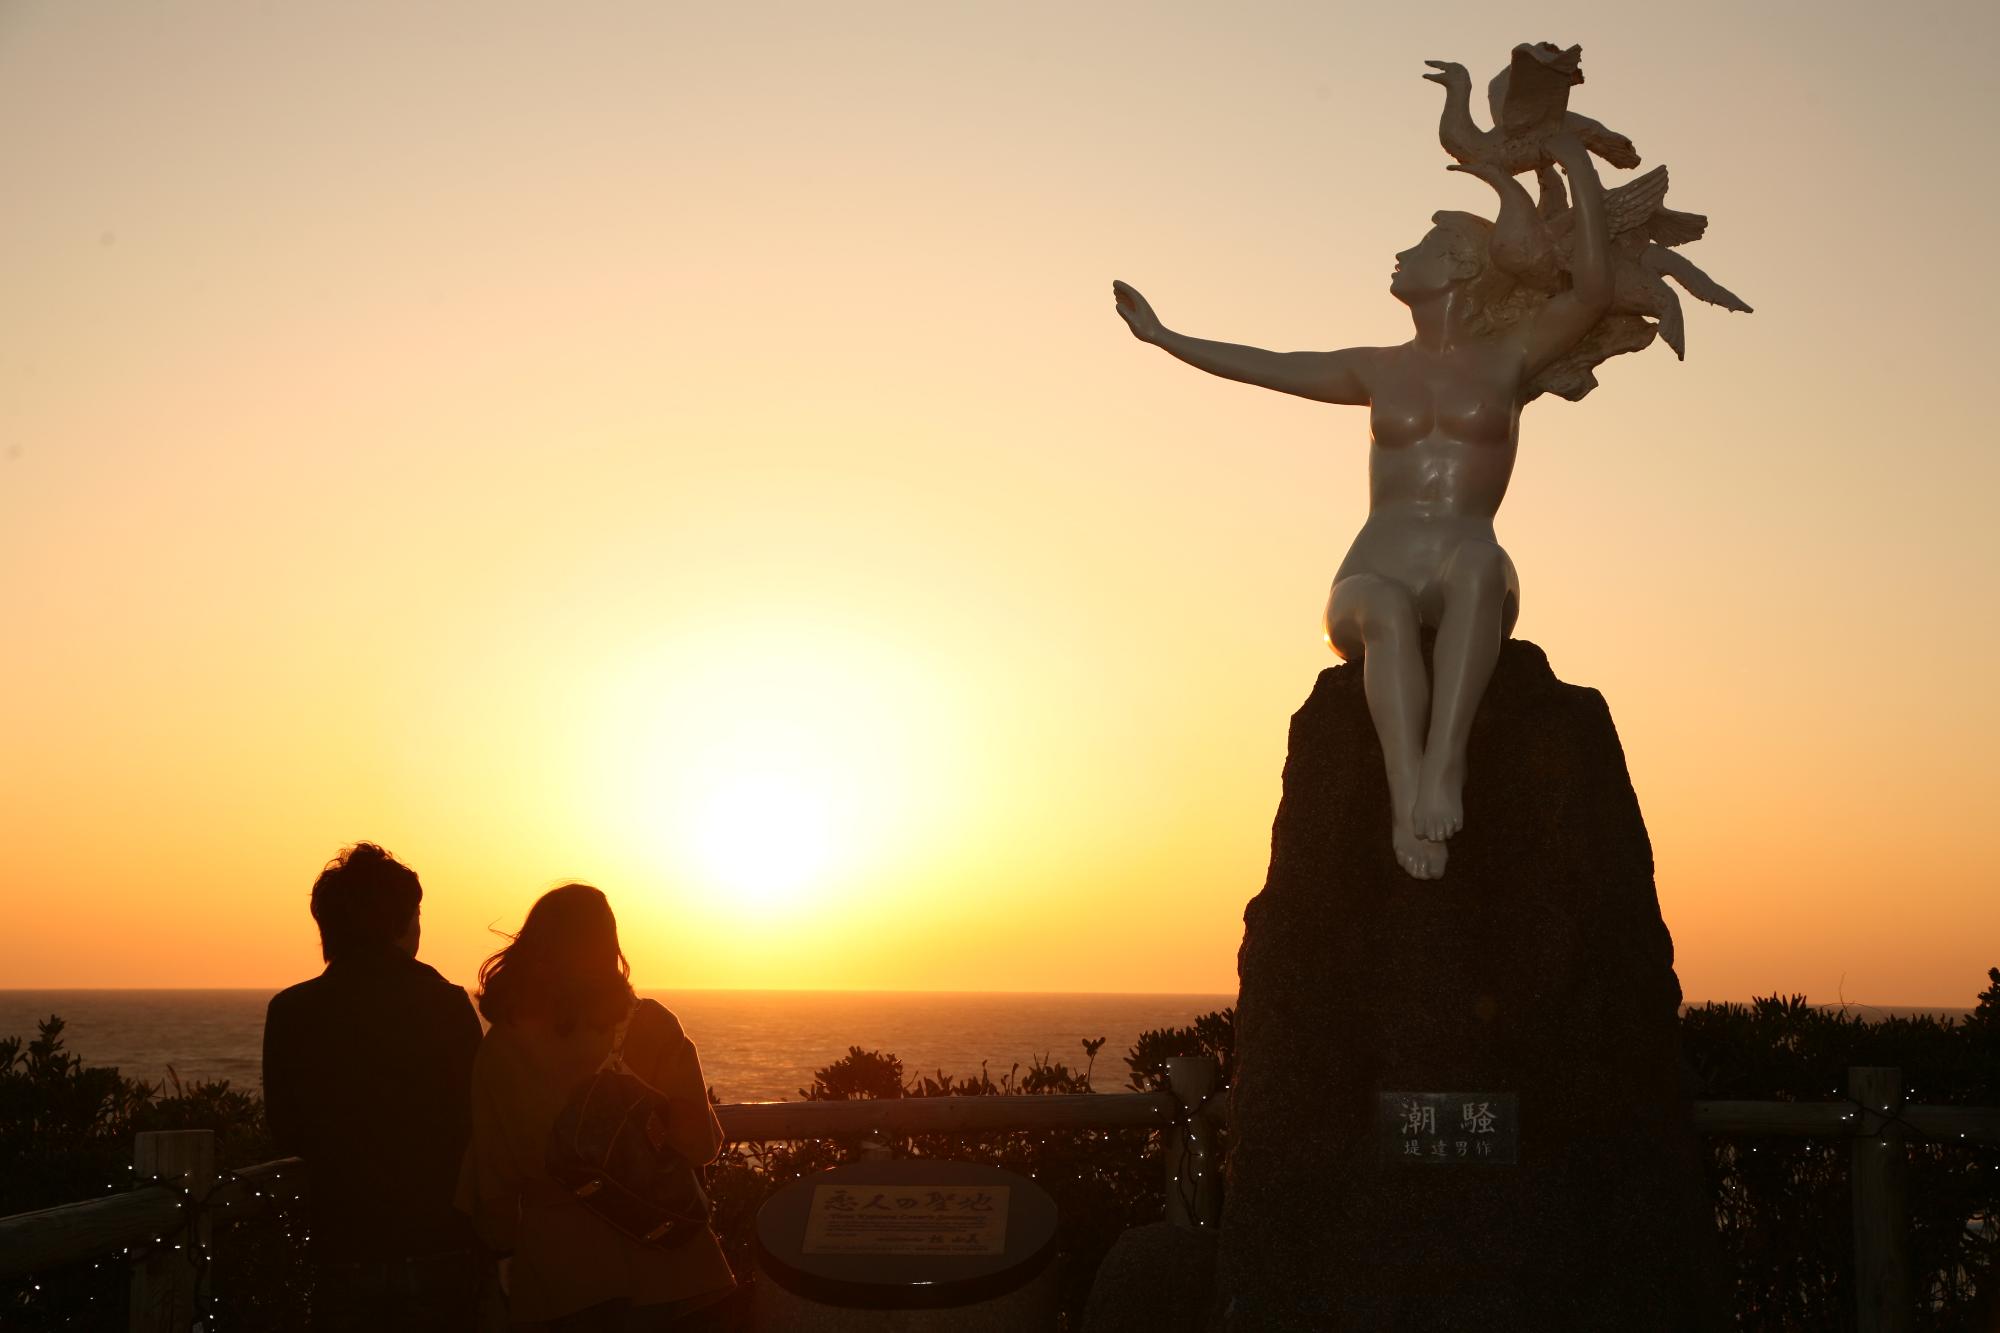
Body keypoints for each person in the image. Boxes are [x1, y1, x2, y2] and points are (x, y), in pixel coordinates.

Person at [1112, 113, 1617, 883]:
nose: (1398, 255)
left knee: (1482, 565)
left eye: (1415, 247)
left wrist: (1573, 154)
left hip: (1464, 561)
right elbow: (1268, 364)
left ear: (1454, 265)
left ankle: (1444, 765)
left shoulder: (1511, 358)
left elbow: (1595, 287)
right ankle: (1405, 794)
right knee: (1381, 609)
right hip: (1373, 566)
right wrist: (1166, 336)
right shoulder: (1377, 369)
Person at [458, 883, 738, 1331]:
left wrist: (505, 1256)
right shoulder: (651, 1024)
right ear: (608, 946)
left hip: (560, 1273)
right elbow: (702, 1145)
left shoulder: (502, 1047)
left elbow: (492, 1181)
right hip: (669, 1264)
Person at [263, 842, 485, 1331]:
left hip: (340, 1244)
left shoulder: (292, 1012)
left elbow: (287, 1129)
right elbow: (477, 1120)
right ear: (403, 922)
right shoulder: (445, 1005)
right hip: (439, 1241)